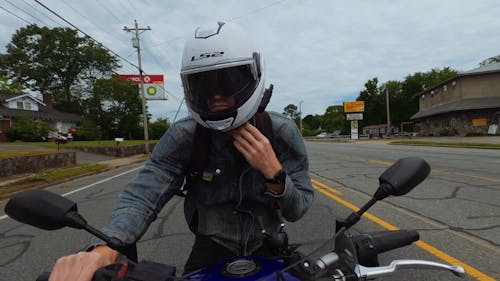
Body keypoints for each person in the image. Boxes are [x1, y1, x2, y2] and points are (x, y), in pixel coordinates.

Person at [48, 21, 313, 281]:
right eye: (203, 85)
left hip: (267, 243)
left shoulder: (281, 132)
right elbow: (144, 193)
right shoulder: (185, 136)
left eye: (226, 82)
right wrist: (106, 247)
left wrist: (274, 173)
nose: (215, 96)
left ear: (251, 77)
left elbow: (297, 209)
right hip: (212, 247)